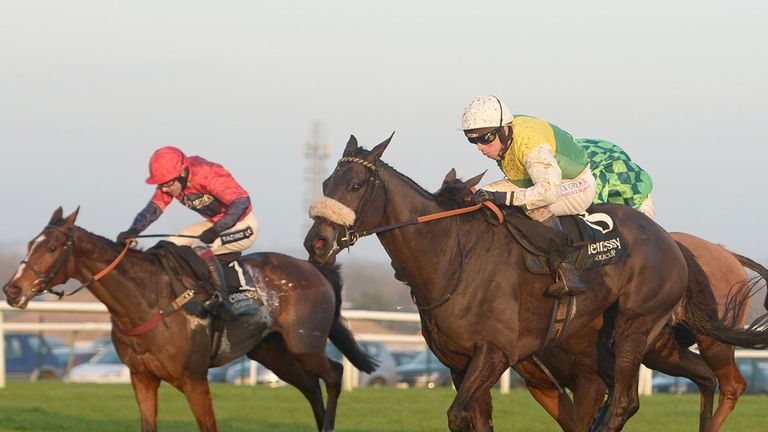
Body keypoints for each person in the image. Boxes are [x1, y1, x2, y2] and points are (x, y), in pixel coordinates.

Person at [461, 95, 599, 296]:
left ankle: (568, 273)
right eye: (473, 140)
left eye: (486, 138)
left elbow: (547, 192)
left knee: (532, 204)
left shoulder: (530, 143)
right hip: (537, 181)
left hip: (575, 184)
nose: (480, 147)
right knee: (481, 198)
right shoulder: (506, 135)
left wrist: (505, 198)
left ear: (504, 129)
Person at [117, 146, 260, 321]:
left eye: (168, 184)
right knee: (171, 245)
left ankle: (234, 294)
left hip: (243, 224)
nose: (165, 190)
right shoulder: (170, 181)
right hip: (216, 224)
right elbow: (153, 209)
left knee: (200, 247)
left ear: (183, 173)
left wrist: (215, 230)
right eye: (161, 185)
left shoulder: (207, 173)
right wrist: (133, 231)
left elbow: (241, 202)